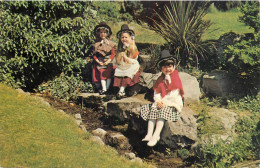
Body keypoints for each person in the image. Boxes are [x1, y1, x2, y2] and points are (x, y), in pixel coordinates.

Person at [140, 50, 184, 147]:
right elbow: (157, 92)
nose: (167, 69)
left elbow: (174, 94)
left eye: (169, 66)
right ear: (161, 68)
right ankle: (149, 133)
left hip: (172, 102)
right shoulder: (161, 78)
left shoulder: (175, 78)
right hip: (162, 101)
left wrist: (163, 102)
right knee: (154, 108)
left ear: (173, 66)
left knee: (162, 113)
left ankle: (156, 135)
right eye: (164, 66)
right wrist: (158, 100)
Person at [113, 24, 141, 98]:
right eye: (122, 37)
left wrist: (126, 53)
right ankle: (121, 90)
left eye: (126, 37)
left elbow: (134, 59)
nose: (124, 39)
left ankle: (122, 90)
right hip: (123, 63)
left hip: (132, 63)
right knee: (118, 70)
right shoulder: (120, 47)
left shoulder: (132, 47)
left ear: (130, 37)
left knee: (128, 72)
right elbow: (118, 58)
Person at [92, 22, 116, 95]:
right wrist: (98, 61)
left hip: (109, 61)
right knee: (102, 74)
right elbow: (94, 55)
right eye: (101, 32)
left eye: (105, 32)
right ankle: (104, 89)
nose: (103, 34)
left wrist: (109, 61)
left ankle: (108, 88)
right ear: (98, 33)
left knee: (108, 74)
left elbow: (113, 54)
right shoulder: (97, 44)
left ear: (107, 33)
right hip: (101, 61)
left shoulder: (110, 43)